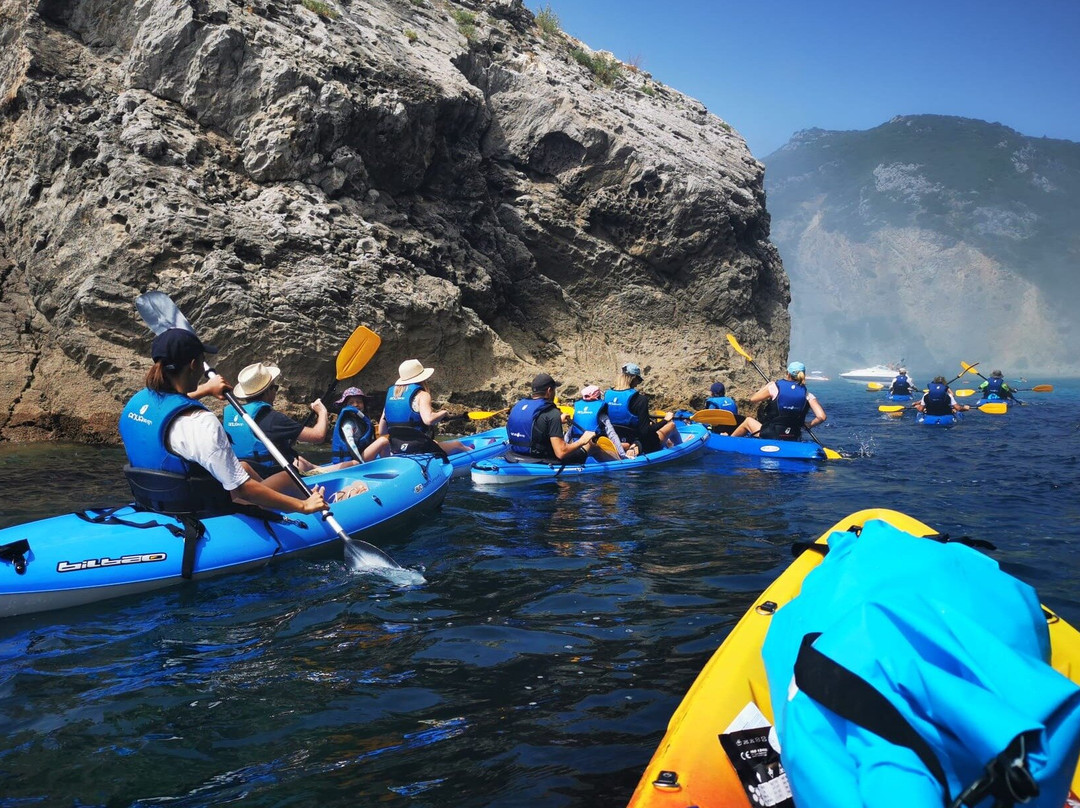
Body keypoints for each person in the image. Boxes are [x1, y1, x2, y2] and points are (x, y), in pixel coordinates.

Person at [117, 328, 327, 517]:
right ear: (194, 365)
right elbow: (243, 489)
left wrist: (206, 389)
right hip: (200, 510)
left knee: (243, 465)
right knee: (283, 477)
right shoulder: (202, 423)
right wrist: (304, 506)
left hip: (152, 501)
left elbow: (170, 406)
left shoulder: (137, 402)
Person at [224, 362, 355, 478]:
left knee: (303, 462)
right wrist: (322, 412)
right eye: (274, 388)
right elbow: (318, 436)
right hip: (274, 477)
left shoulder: (235, 414)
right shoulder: (273, 418)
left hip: (249, 476)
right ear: (268, 391)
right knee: (354, 463)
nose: (275, 392)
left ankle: (317, 469)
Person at [507, 373, 619, 463]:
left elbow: (532, 425)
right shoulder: (552, 413)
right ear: (549, 390)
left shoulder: (519, 406)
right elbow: (561, 452)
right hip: (543, 460)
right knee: (592, 445)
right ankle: (621, 465)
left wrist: (557, 421)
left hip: (515, 454)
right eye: (554, 391)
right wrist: (582, 441)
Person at [377, 359, 467, 455]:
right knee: (457, 444)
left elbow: (382, 431)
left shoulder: (392, 397)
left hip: (397, 449)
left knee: (435, 443)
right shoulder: (422, 395)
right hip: (420, 449)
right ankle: (474, 454)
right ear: (422, 378)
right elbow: (429, 420)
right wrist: (443, 413)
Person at [730, 361, 827, 441]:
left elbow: (753, 399)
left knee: (748, 421)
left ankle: (729, 440)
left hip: (772, 434)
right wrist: (809, 424)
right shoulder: (807, 395)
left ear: (788, 373)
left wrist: (768, 386)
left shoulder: (774, 387)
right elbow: (821, 417)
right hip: (793, 436)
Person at [604, 362, 678, 454]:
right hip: (642, 442)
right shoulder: (640, 400)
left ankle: (625, 445)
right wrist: (665, 420)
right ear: (634, 379)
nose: (637, 384)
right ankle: (681, 448)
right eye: (638, 380)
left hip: (616, 438)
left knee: (651, 424)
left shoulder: (606, 396)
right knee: (672, 425)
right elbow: (645, 432)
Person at [565, 384, 636, 459]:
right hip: (591, 448)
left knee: (626, 445)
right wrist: (622, 455)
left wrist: (565, 447)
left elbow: (569, 433)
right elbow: (612, 435)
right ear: (598, 397)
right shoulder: (601, 415)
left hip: (575, 446)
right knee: (626, 446)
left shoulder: (578, 409)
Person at [331, 387, 387, 463]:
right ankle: (388, 463)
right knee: (383, 441)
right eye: (351, 402)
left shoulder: (362, 420)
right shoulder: (348, 423)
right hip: (354, 461)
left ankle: (386, 459)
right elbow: (351, 444)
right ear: (345, 405)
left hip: (360, 456)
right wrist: (360, 463)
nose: (356, 404)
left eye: (359, 402)